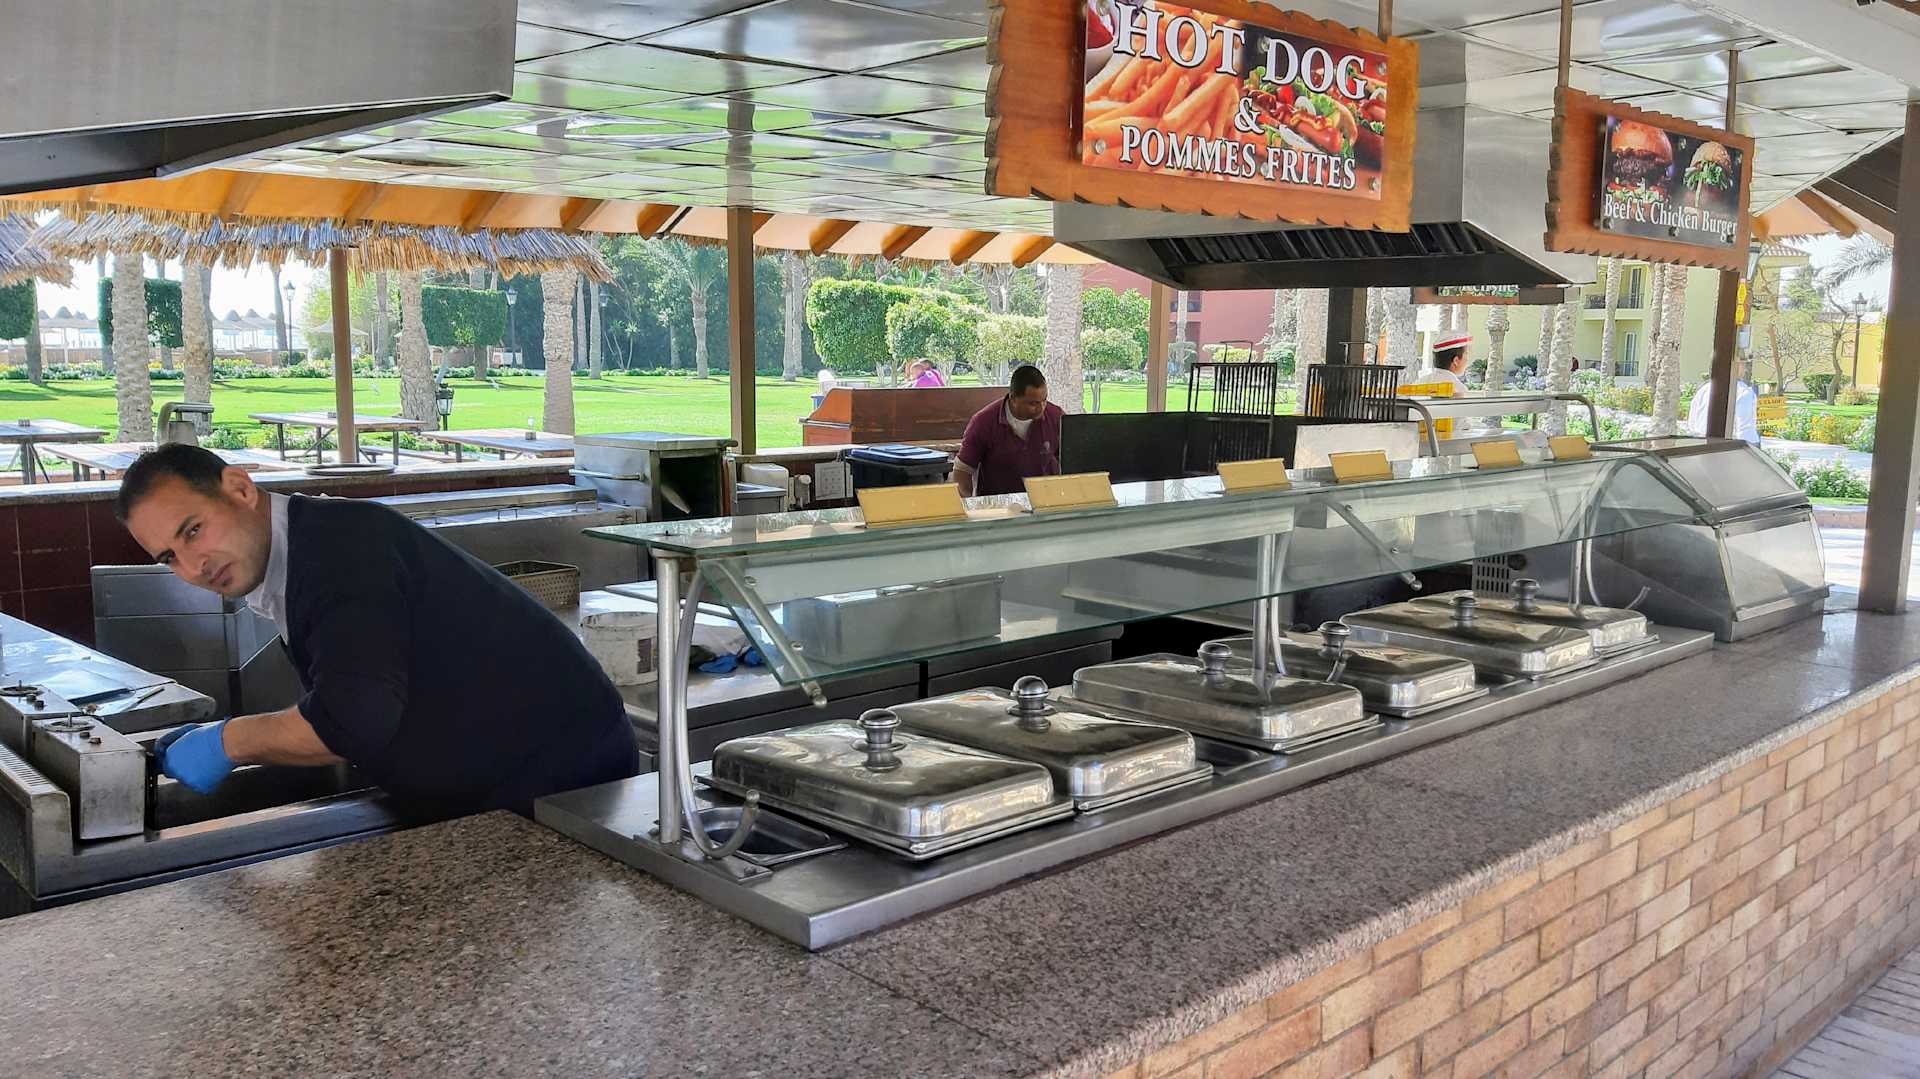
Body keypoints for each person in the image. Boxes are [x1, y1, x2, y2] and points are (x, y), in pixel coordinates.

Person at [118, 444, 639, 820]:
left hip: (561, 780)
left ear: (240, 488)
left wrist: (229, 742)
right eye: (170, 557)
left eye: (193, 530)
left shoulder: (338, 553)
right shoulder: (299, 551)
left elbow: (353, 721)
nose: (193, 565)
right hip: (491, 774)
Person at [954, 364, 1064, 497]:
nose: (1041, 408)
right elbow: (962, 471)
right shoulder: (983, 422)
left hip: (1045, 500)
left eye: (1044, 400)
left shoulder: (1057, 417)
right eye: (1033, 403)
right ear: (1013, 398)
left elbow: (1073, 461)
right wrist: (966, 502)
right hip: (998, 504)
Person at [1687, 362, 1761, 444]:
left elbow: (1692, 423)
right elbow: (1744, 430)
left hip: (1701, 444)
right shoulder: (1743, 391)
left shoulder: (1704, 389)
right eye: (1742, 365)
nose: (1745, 369)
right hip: (1729, 446)